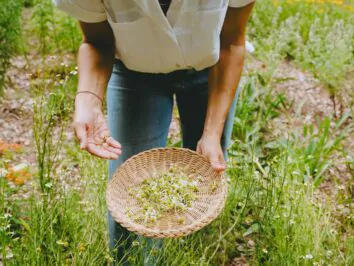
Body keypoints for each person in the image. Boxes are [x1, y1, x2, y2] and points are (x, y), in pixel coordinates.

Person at [53, 0, 255, 264]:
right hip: (134, 74)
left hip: (212, 69)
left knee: (207, 178)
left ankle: (196, 255)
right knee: (131, 197)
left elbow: (231, 42)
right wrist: (88, 99)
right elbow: (96, 41)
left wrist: (212, 133)